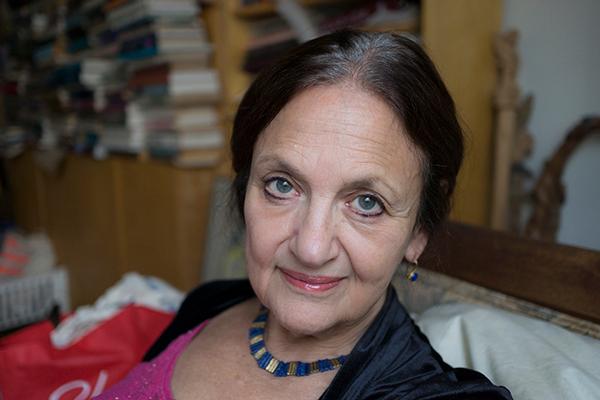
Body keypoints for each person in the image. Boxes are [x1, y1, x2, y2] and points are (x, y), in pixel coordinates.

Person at [95, 30, 512, 399]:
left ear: (419, 229)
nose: (311, 249)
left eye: (367, 202)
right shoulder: (207, 304)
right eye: (282, 185)